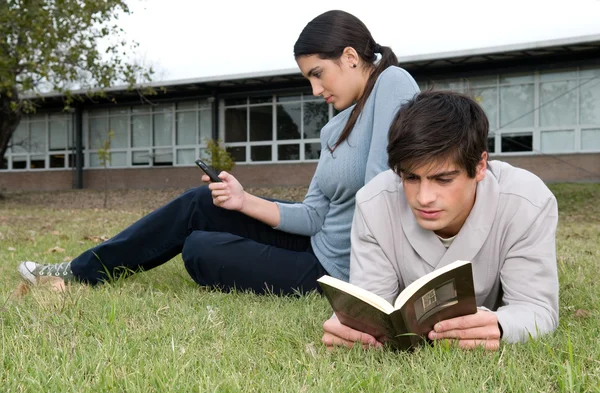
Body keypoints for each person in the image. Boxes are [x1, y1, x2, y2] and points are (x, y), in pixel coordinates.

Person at [17, 10, 420, 294]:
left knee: (199, 248)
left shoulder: (393, 82)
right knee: (201, 203)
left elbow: (381, 191)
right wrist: (243, 201)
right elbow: (315, 214)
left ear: (350, 57)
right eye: (309, 79)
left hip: (338, 271)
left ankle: (85, 271)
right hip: (317, 243)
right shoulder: (336, 124)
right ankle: (80, 270)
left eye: (318, 74)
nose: (316, 90)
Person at [322, 91, 559, 350]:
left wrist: (501, 326)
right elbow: (372, 300)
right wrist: (353, 329)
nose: (423, 198)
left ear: (480, 166)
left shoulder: (527, 201)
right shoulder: (374, 202)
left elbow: (536, 307)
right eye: (411, 178)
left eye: (443, 179)